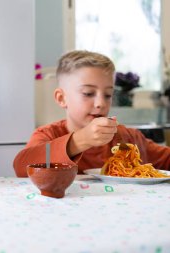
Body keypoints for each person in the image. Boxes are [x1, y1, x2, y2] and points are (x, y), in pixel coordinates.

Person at [14, 50, 170, 177]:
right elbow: (21, 167)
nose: (100, 103)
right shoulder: (48, 135)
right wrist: (80, 141)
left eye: (108, 95)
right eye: (88, 93)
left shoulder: (128, 138)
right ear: (62, 98)